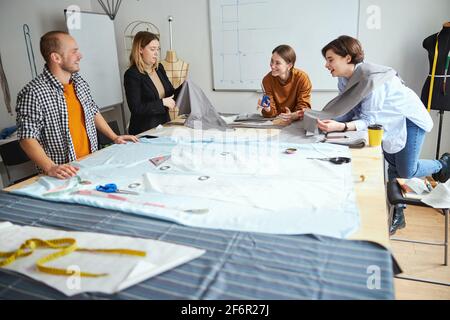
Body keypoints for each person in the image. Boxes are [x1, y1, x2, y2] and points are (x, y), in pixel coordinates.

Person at [316, 35, 450, 235]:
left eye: (330, 59)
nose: (326, 65)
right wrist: (319, 117)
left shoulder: (372, 79)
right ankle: (399, 214)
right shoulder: (344, 80)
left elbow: (368, 119)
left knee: (406, 171)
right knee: (393, 168)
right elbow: (348, 110)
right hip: (385, 122)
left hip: (407, 119)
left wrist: (341, 127)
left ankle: (443, 164)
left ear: (347, 58)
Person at [16, 31, 137, 180]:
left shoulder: (79, 82)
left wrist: (114, 137)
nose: (80, 56)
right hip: (62, 175)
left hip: (90, 164)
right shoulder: (33, 92)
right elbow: (27, 137)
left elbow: (92, 111)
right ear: (56, 58)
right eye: (74, 52)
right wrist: (50, 167)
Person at [124, 31, 176, 135]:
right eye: (152, 49)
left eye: (158, 49)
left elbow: (170, 93)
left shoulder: (159, 68)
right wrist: (162, 103)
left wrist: (185, 88)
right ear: (140, 50)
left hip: (163, 126)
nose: (156, 53)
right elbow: (136, 108)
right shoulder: (132, 74)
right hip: (145, 131)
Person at [258, 45, 312, 123]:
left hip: (297, 122)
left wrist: (293, 115)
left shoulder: (302, 78)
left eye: (278, 63)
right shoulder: (267, 80)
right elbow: (271, 114)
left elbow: (304, 108)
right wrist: (267, 108)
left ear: (289, 65)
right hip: (277, 122)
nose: (272, 66)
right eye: (272, 61)